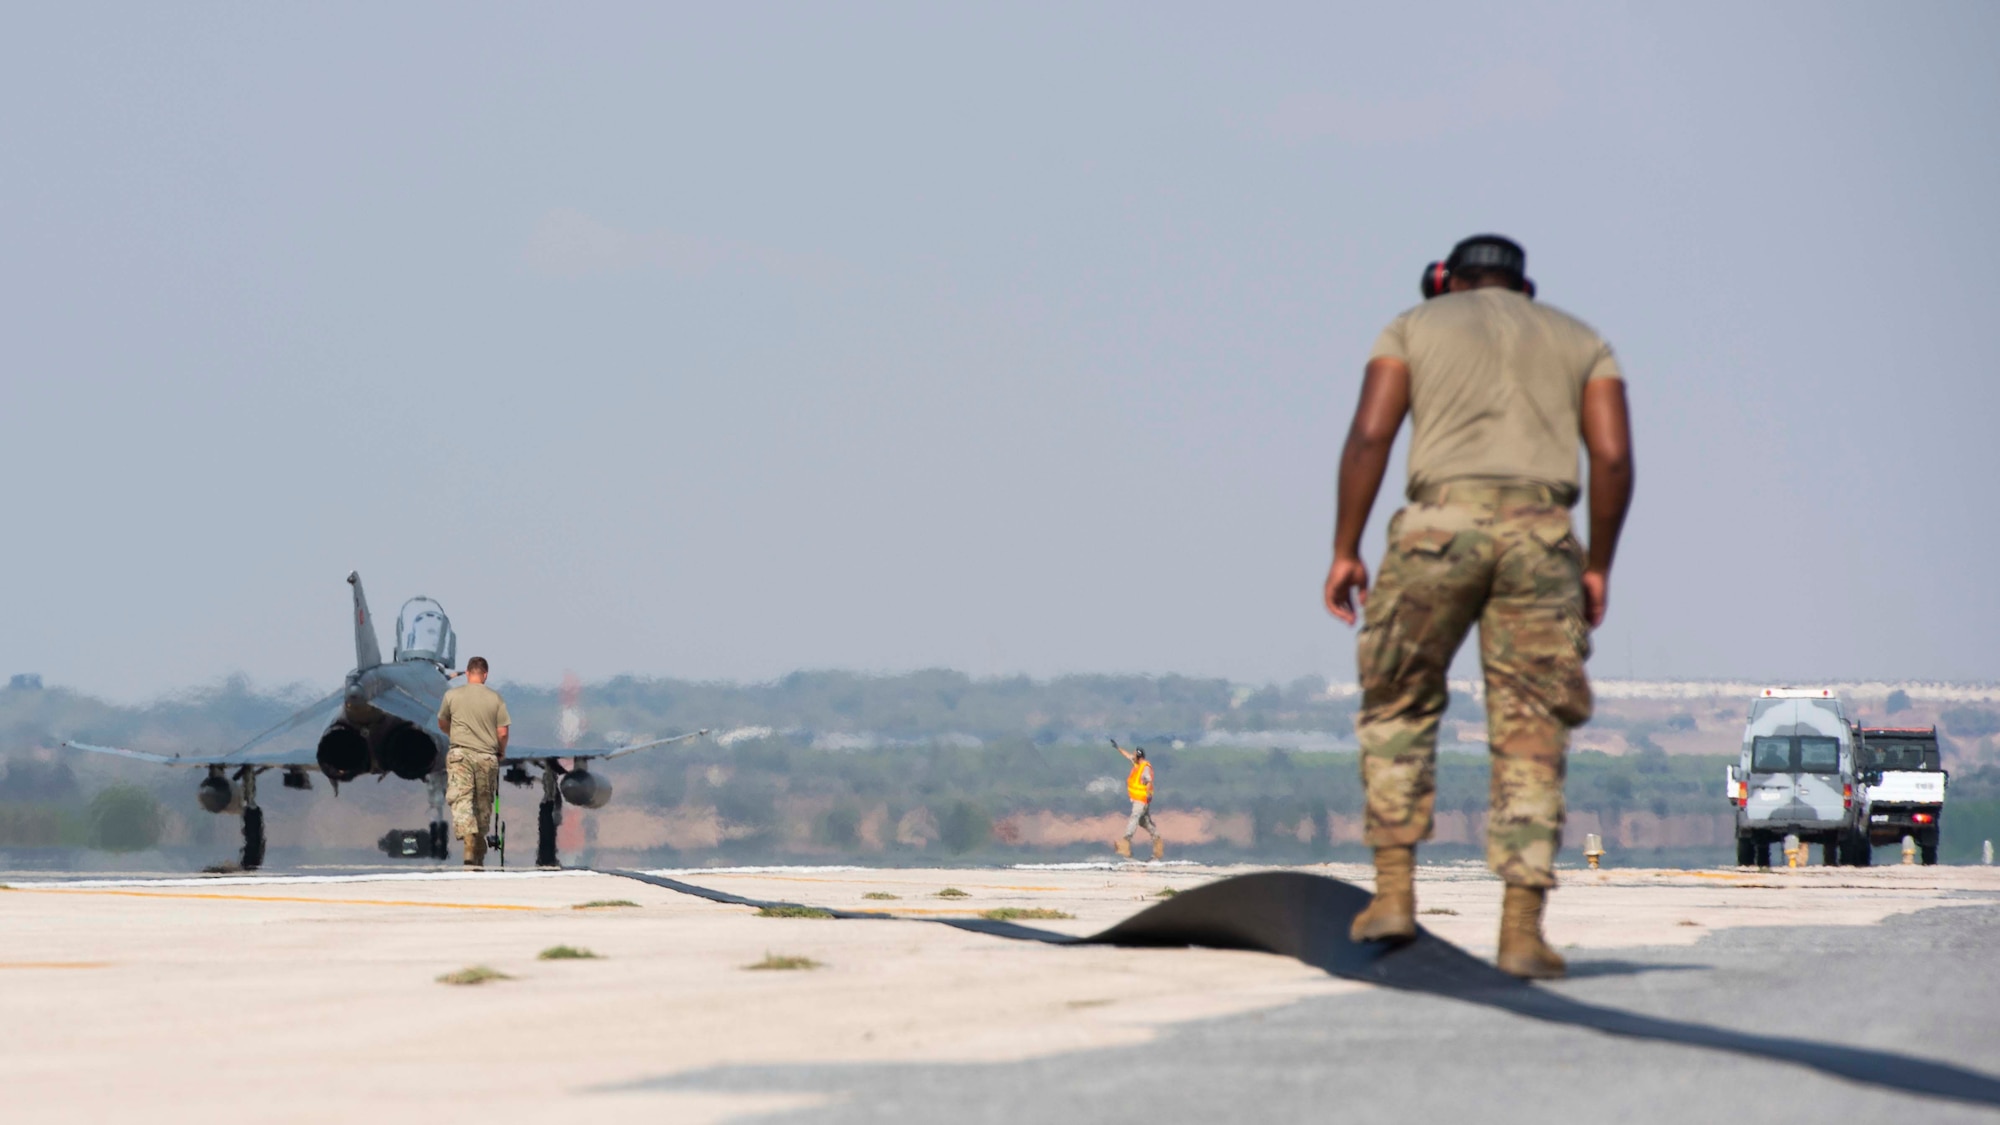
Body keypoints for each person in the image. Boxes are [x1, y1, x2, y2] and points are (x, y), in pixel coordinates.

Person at [1322, 234, 1634, 979]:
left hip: (1438, 528)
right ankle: (1521, 931)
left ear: (1449, 282)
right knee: (1531, 729)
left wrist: (1345, 547)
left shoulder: (1411, 327)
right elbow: (1614, 456)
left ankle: (1394, 894)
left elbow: (1371, 432)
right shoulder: (1583, 340)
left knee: (1398, 703)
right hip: (1541, 536)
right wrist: (1597, 564)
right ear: (1522, 287)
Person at [437, 656, 511, 868]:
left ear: (468, 674)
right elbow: (503, 732)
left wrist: (457, 735)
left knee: (461, 798)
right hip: (487, 755)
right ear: (485, 675)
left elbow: (442, 723)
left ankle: (469, 839)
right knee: (483, 802)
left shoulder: (452, 695)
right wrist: (501, 751)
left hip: (460, 754)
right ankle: (478, 843)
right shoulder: (496, 698)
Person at [1114, 743, 1164, 860]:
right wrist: (1118, 748)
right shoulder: (1137, 764)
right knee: (1144, 822)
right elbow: (1127, 756)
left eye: (1135, 754)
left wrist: (1148, 794)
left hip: (1142, 800)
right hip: (1139, 800)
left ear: (1139, 756)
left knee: (1134, 817)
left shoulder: (1145, 767)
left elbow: (1149, 781)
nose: (1133, 755)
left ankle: (1125, 843)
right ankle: (1158, 843)